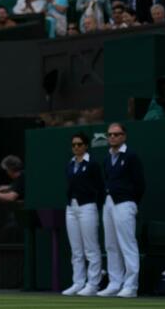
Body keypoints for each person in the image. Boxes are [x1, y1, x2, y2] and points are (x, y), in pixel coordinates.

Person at [99, 123, 144, 298]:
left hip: (125, 203)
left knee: (127, 244)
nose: (112, 137)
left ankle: (131, 285)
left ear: (124, 136)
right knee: (111, 244)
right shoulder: (107, 159)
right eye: (110, 134)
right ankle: (115, 282)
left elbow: (140, 183)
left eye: (116, 134)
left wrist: (132, 201)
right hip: (109, 202)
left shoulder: (131, 156)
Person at [61, 132, 104, 297]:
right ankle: (78, 282)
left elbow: (100, 186)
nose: (76, 147)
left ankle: (93, 284)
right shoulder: (69, 164)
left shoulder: (92, 164)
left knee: (91, 248)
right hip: (71, 207)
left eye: (79, 144)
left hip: (87, 206)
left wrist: (94, 204)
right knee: (76, 249)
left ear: (86, 146)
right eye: (74, 145)